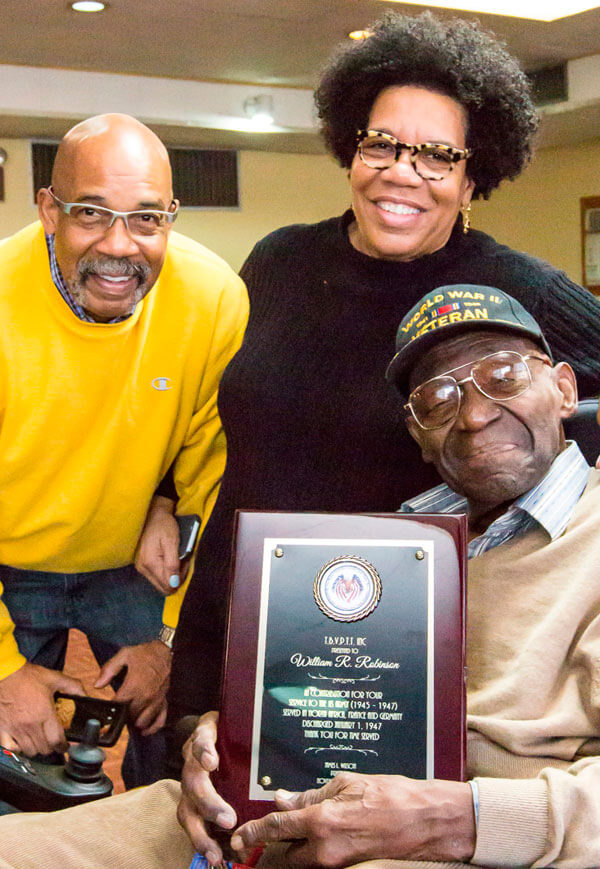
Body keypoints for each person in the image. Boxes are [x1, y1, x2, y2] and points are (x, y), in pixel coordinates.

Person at [0, 283, 597, 869]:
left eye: (503, 376)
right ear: (418, 434)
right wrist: (235, 742)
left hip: (471, 845)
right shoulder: (384, 547)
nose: (473, 414)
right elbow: (312, 692)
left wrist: (457, 819)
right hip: (262, 817)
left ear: (565, 388)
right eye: (437, 399)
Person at [156, 10, 600, 748]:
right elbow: (216, 403)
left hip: (378, 638)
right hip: (231, 602)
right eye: (382, 144)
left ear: (472, 177)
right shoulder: (278, 261)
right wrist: (164, 495)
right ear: (350, 148)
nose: (402, 172)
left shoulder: (517, 288)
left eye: (436, 156)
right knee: (190, 816)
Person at [0, 113, 248, 787]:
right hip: (8, 563)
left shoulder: (213, 297)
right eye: (91, 214)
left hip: (128, 564)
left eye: (146, 219)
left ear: (173, 215)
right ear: (49, 211)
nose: (120, 245)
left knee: (168, 742)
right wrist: (0, 669)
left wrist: (168, 637)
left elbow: (215, 481)